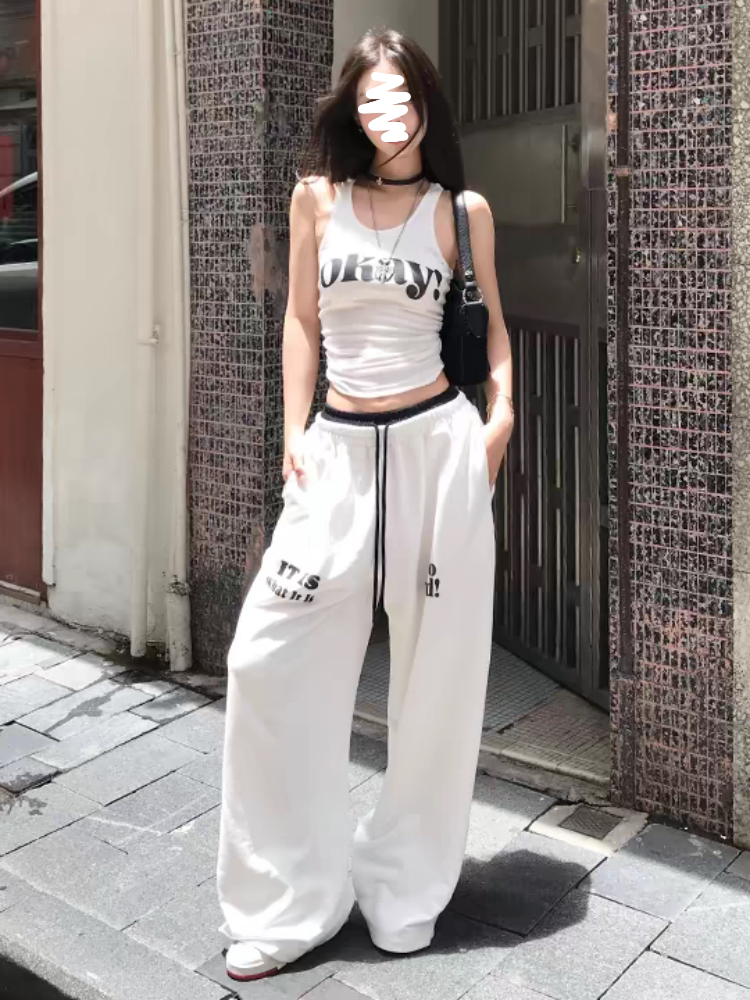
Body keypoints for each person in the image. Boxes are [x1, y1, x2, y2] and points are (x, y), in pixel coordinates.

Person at [216, 28, 514, 983]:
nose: (389, 115)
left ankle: (403, 886)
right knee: (267, 660)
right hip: (337, 455)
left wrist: (500, 423)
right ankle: (288, 902)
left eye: (404, 97)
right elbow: (301, 320)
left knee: (437, 681)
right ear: (353, 109)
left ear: (426, 105)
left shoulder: (460, 211)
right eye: (372, 99)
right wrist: (292, 429)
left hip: (437, 450)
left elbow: (495, 336)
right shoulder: (317, 197)